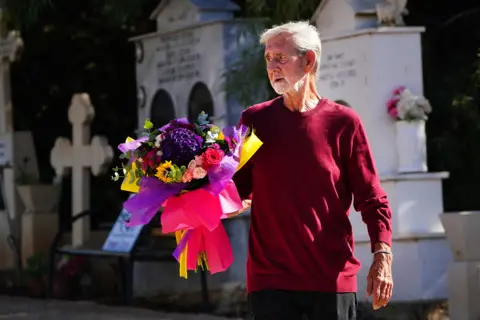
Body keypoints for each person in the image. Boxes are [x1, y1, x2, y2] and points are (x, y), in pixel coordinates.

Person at [232, 21, 393, 320]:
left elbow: (371, 197)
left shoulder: (344, 123)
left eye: (280, 57)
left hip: (330, 278)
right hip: (270, 279)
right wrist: (191, 194)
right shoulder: (254, 120)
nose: (272, 66)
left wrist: (382, 255)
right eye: (268, 58)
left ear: (308, 61)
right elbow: (236, 188)